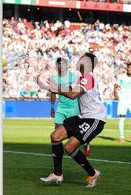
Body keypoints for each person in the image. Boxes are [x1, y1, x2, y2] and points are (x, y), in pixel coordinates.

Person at [39, 53, 106, 188]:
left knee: (69, 147)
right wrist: (49, 86)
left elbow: (72, 94)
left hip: (94, 118)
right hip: (83, 118)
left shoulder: (89, 77)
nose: (79, 60)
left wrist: (54, 88)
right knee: (55, 135)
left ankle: (92, 173)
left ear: (87, 64)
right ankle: (57, 174)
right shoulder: (80, 79)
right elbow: (68, 89)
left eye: (82, 59)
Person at [49, 58, 90, 156]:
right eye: (58, 64)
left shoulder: (73, 76)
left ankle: (85, 142)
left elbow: (75, 91)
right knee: (57, 130)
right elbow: (53, 94)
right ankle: (56, 152)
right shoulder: (54, 78)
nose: (60, 66)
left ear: (66, 65)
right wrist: (52, 107)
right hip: (61, 107)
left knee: (75, 130)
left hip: (73, 106)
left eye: (62, 64)